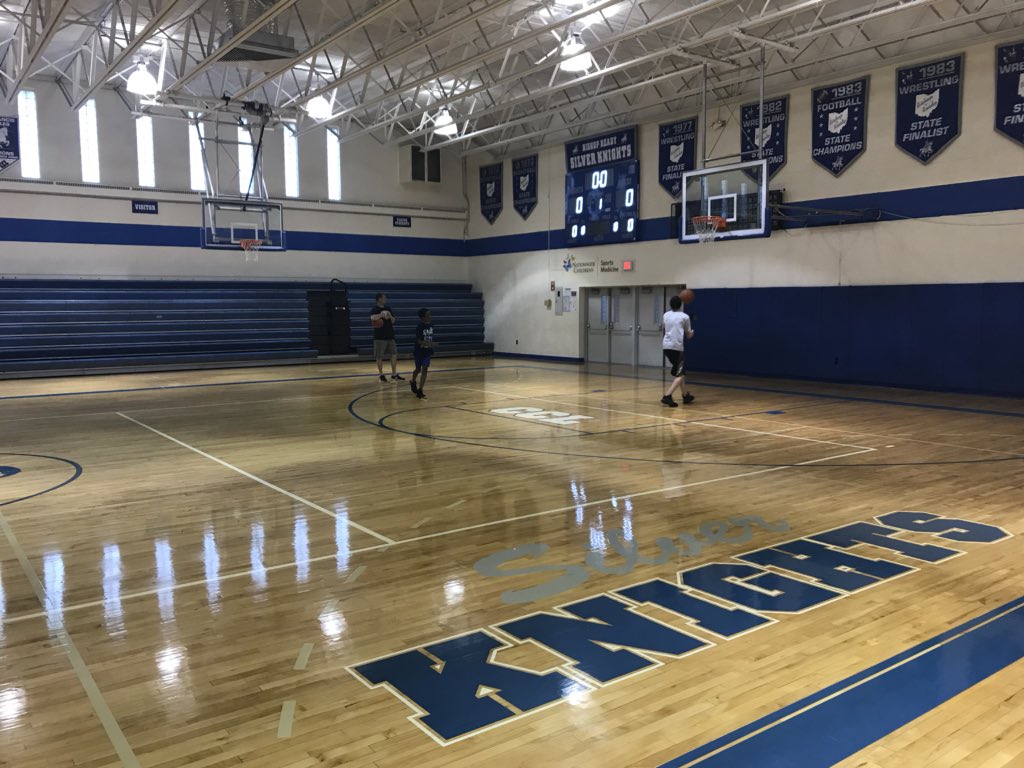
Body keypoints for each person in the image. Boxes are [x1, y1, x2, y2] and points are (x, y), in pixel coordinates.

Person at [661, 294, 695, 407]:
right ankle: (667, 396)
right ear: (681, 304)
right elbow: (689, 335)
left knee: (680, 372)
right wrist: (692, 332)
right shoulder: (684, 317)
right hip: (677, 347)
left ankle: (685, 395)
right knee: (680, 374)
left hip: (666, 346)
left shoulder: (665, 315)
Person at [370, 292, 403, 382]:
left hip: (390, 335)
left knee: (394, 354)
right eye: (384, 297)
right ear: (379, 299)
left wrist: (390, 316)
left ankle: (394, 374)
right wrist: (381, 314)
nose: (386, 299)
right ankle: (381, 375)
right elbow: (372, 318)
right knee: (379, 356)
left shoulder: (388, 308)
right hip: (379, 337)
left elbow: (393, 321)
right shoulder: (375, 309)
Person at [411, 307, 435, 399]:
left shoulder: (432, 325)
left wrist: (430, 346)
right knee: (418, 369)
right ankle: (413, 381)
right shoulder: (419, 327)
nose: (430, 316)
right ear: (423, 317)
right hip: (419, 352)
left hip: (427, 351)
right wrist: (431, 343)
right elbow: (419, 341)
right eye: (428, 315)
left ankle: (420, 390)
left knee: (425, 369)